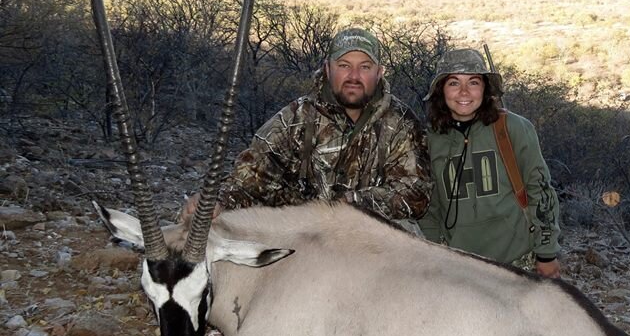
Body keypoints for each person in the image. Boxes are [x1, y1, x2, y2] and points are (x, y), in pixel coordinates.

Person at [184, 27, 431, 224]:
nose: (354, 76)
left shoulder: (401, 123)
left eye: (364, 67)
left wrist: (352, 204)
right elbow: (249, 181)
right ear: (327, 69)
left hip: (369, 242)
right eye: (344, 66)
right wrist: (219, 201)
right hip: (302, 242)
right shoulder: (295, 118)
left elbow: (415, 194)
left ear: (379, 73)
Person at [418, 48, 562, 277]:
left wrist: (547, 253)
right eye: (454, 83)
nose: (464, 92)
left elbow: (541, 190)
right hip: (458, 268)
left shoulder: (513, 128)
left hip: (517, 261)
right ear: (441, 91)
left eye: (473, 82)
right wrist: (434, 258)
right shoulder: (428, 141)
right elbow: (430, 208)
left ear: (485, 89)